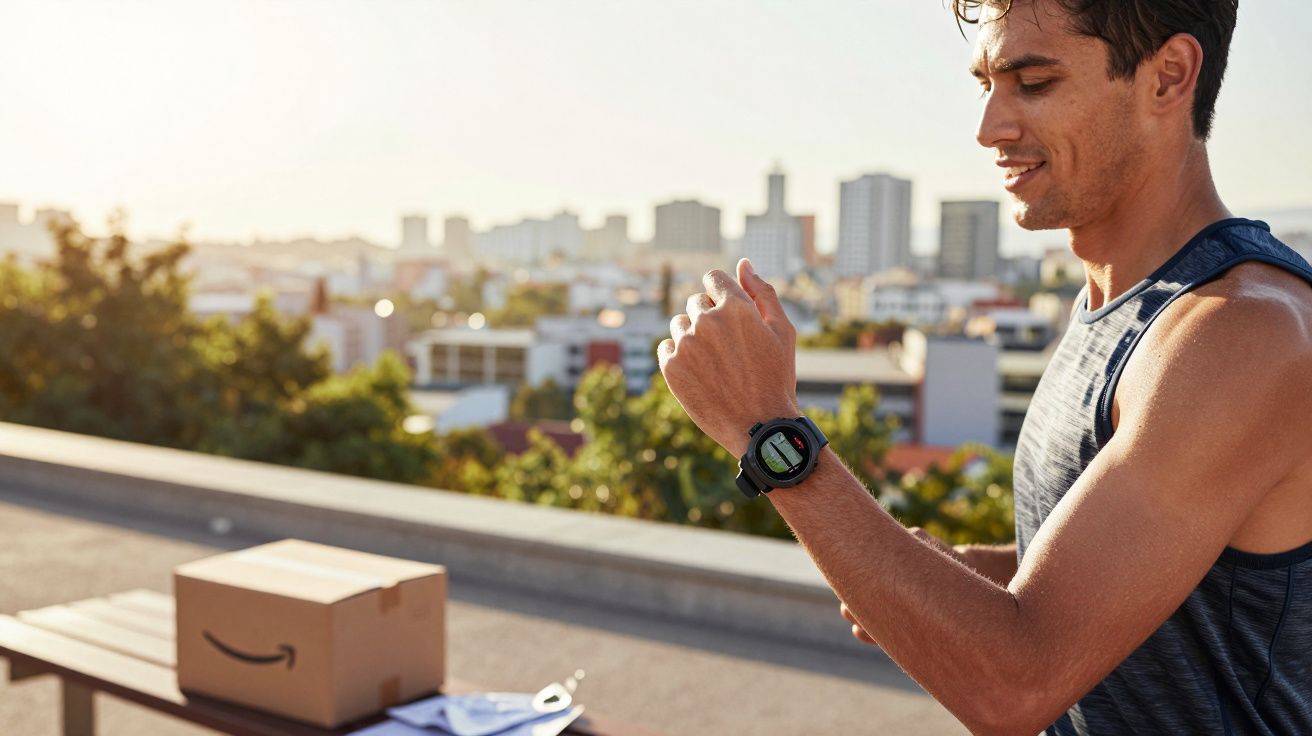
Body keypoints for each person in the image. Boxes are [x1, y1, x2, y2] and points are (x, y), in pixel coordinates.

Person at [657, 1, 1312, 734]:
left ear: (1169, 76)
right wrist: (967, 570)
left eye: (1032, 83)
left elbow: (1016, 689)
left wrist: (772, 431)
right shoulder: (1122, 297)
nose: (989, 127)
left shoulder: (1237, 334)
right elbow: (1161, 576)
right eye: (987, 85)